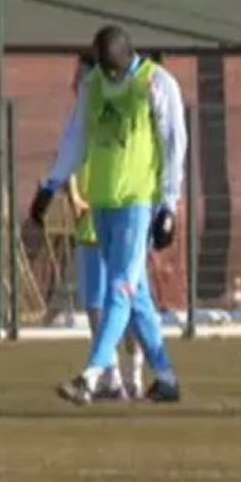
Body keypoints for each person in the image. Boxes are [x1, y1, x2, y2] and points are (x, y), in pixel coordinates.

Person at [30, 26, 186, 406]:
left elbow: (173, 144)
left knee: (120, 289)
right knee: (137, 295)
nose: (110, 75)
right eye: (105, 68)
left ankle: (92, 374)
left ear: (127, 57)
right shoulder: (94, 85)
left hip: (137, 202)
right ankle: (166, 377)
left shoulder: (157, 83)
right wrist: (52, 185)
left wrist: (169, 203)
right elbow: (76, 136)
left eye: (114, 68)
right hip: (102, 202)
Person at [64, 52, 147, 401]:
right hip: (90, 223)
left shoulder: (116, 111)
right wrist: (74, 196)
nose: (76, 84)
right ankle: (110, 376)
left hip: (118, 220)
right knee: (95, 305)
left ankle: (136, 372)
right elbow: (69, 161)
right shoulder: (79, 118)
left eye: (82, 77)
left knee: (126, 303)